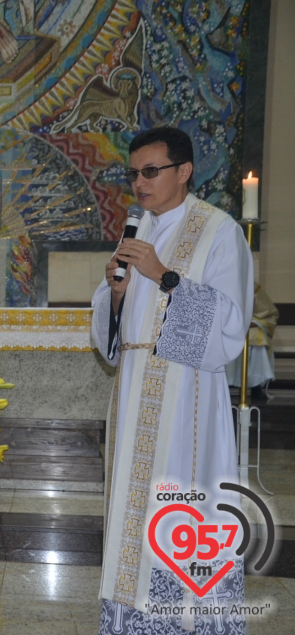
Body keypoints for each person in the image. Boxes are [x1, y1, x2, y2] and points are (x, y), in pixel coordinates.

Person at [91, 127, 254, 634]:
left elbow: (230, 327)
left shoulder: (219, 230)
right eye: (134, 174)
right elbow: (114, 335)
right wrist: (114, 298)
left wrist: (164, 275)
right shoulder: (134, 231)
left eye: (150, 172)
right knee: (131, 520)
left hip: (188, 405)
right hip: (135, 396)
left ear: (183, 172)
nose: (139, 184)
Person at [226, 283, 279, 397]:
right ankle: (226, 385)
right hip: (226, 327)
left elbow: (269, 313)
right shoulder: (221, 285)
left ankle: (256, 386)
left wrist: (254, 322)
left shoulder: (253, 288)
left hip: (250, 327)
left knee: (259, 339)